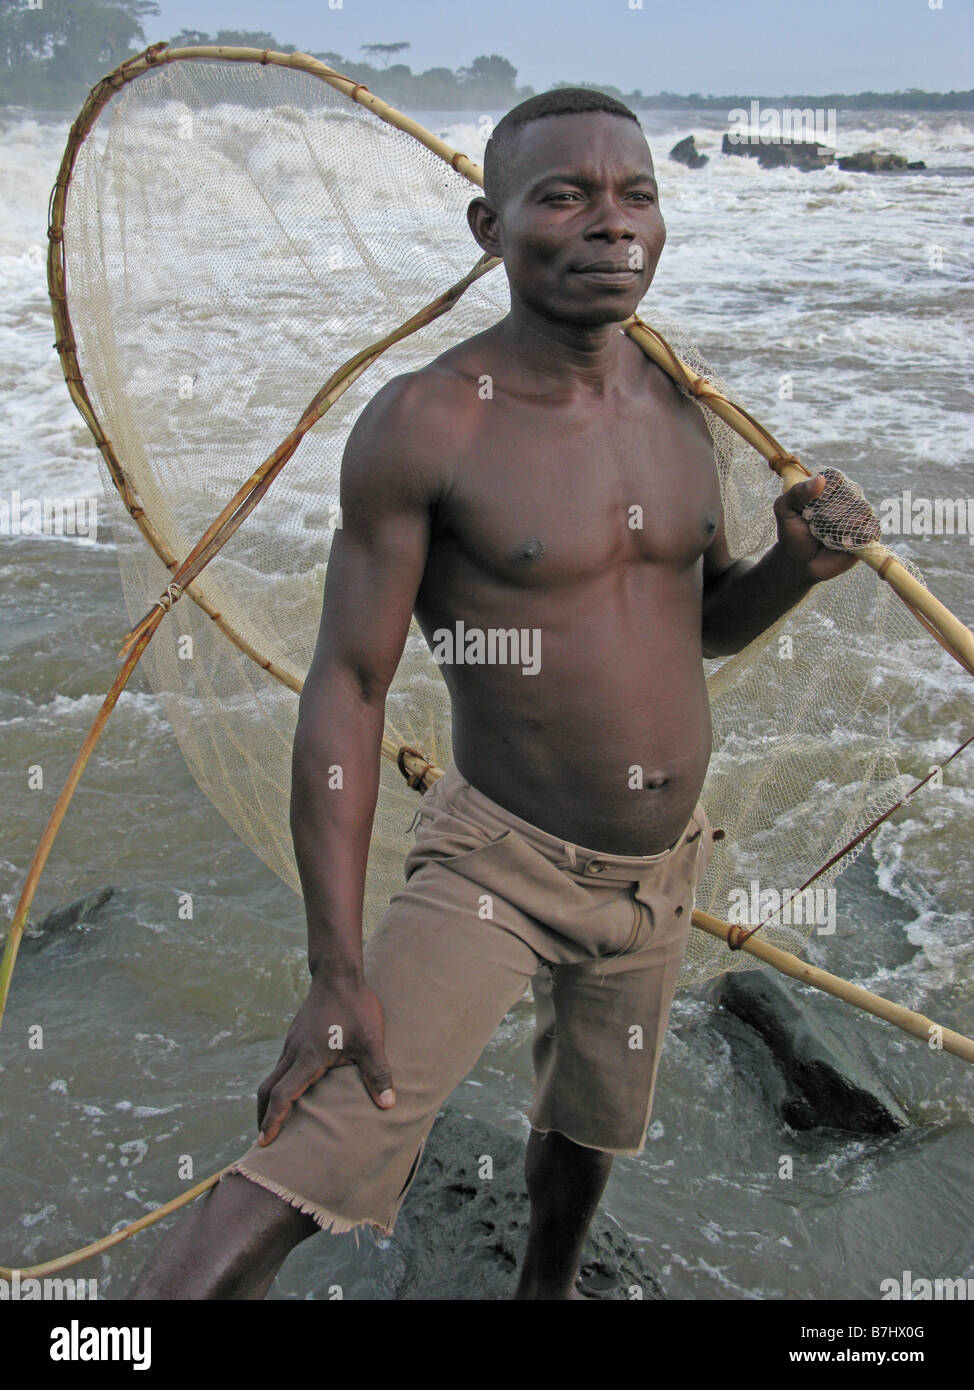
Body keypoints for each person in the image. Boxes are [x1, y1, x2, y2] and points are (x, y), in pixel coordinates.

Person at [129, 88, 855, 1301]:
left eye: (635, 195)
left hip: (658, 871)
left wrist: (796, 567)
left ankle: (545, 1291)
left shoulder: (687, 407)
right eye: (563, 196)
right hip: (495, 869)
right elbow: (351, 684)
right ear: (489, 226)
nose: (609, 225)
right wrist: (332, 967)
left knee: (585, 1132)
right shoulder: (427, 423)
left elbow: (701, 622)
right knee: (298, 1170)